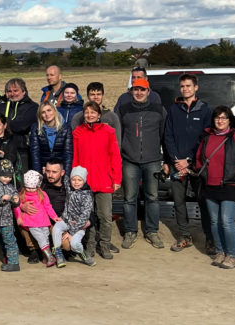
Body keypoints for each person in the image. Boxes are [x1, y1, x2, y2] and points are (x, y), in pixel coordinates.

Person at [195, 107, 235, 268]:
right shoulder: (207, 137)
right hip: (210, 184)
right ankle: (220, 251)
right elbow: (199, 158)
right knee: (214, 221)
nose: (220, 121)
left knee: (226, 221)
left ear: (230, 120)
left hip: (230, 184)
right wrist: (203, 172)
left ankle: (232, 255)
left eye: (224, 118)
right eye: (217, 118)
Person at [114, 77, 167, 250]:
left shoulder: (159, 110)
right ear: (131, 91)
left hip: (152, 160)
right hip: (129, 160)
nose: (139, 92)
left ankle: (152, 231)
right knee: (129, 198)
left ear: (148, 92)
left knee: (152, 197)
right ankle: (130, 231)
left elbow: (164, 135)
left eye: (142, 89)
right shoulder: (123, 110)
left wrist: (165, 159)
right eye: (136, 89)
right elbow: (118, 135)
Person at [163, 74, 213, 253]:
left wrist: (189, 160)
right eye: (182, 86)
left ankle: (210, 239)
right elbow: (168, 136)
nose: (185, 89)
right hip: (177, 164)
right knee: (179, 202)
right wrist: (176, 160)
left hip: (197, 165)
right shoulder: (174, 110)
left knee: (203, 201)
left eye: (188, 86)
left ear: (196, 88)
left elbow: (206, 139)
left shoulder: (205, 110)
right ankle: (184, 236)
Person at [72, 102, 121, 259]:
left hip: (104, 180)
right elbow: (75, 157)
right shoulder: (78, 132)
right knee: (88, 216)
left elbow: (115, 156)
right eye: (87, 112)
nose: (90, 115)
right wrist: (74, 178)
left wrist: (116, 179)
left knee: (105, 216)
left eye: (93, 112)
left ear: (99, 115)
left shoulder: (108, 131)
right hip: (85, 182)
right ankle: (90, 245)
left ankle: (105, 245)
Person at [14, 169, 60, 266]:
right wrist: (19, 214)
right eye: (28, 187)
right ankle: (50, 257)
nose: (30, 190)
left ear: (37, 186)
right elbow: (17, 205)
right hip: (31, 222)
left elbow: (48, 206)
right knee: (40, 238)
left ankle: (45, 257)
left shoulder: (42, 194)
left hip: (43, 221)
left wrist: (54, 216)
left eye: (33, 188)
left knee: (45, 237)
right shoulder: (22, 194)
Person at [52, 166, 95, 267]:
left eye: (79, 180)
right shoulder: (69, 187)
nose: (76, 182)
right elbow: (64, 176)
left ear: (84, 180)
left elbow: (85, 216)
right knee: (56, 228)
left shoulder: (87, 195)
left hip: (78, 225)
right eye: (73, 179)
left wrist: (71, 233)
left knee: (74, 244)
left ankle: (83, 254)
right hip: (66, 220)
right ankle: (58, 254)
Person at [0, 78, 36, 176]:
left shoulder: (32, 107)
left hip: (22, 151)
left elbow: (22, 126)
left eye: (15, 90)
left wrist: (2, 125)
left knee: (21, 181)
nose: (12, 94)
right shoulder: (1, 107)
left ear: (24, 91)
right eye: (9, 91)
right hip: (2, 150)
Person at [29, 102, 73, 175]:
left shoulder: (66, 128)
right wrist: (38, 174)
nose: (47, 114)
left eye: (49, 110)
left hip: (59, 170)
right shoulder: (35, 128)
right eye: (43, 112)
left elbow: (68, 154)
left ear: (54, 111)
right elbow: (35, 153)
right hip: (43, 168)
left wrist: (66, 175)